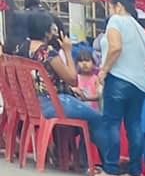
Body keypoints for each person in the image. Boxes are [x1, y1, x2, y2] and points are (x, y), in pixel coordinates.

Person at [26, 9, 107, 167]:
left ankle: (76, 159)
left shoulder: (26, 49)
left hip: (36, 102)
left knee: (85, 115)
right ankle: (109, 164)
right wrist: (68, 52)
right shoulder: (47, 52)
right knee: (97, 118)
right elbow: (72, 79)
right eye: (52, 29)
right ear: (46, 32)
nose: (55, 32)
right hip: (54, 103)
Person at [98, 0, 145, 176]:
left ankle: (111, 168)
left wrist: (104, 70)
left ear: (118, 7)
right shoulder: (141, 31)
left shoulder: (116, 20)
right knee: (134, 124)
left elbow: (115, 47)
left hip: (119, 79)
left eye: (110, 7)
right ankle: (135, 171)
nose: (109, 12)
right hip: (140, 83)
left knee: (112, 122)